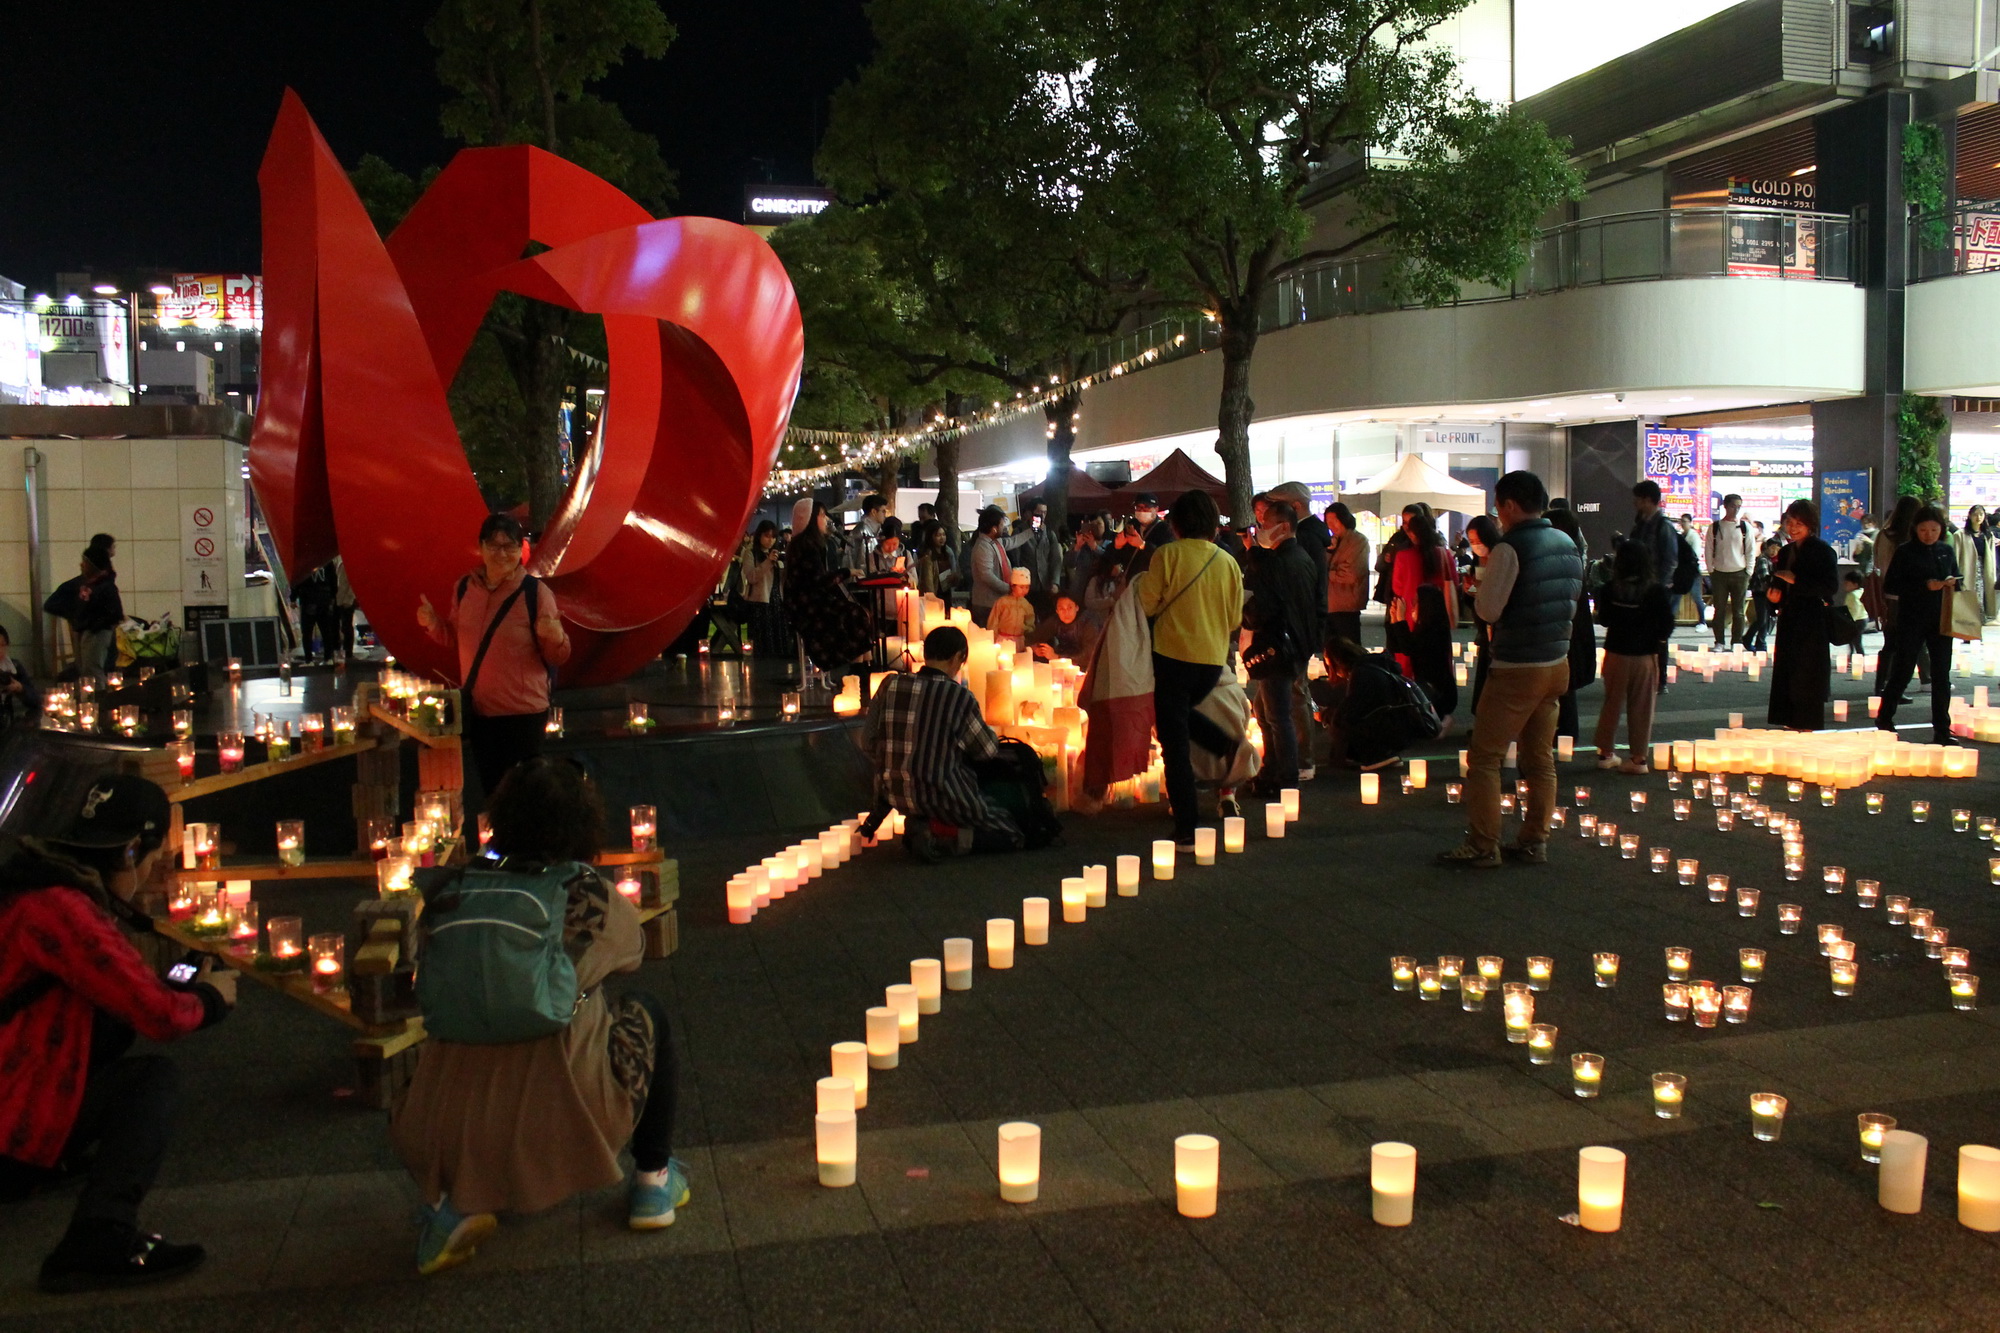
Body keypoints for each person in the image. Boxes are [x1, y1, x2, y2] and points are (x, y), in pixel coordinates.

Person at [391, 759, 683, 1273]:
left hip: (442, 1122)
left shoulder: (454, 887)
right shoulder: (583, 893)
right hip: (558, 1118)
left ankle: (454, 1205)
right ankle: (653, 1180)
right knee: (644, 1012)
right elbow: (633, 949)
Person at [0, 775, 233, 1293]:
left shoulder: (30, 884)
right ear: (130, 852)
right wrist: (212, 999)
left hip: (17, 1089)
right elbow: (160, 1017)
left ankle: (51, 1161)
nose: (151, 876)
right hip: (10, 1122)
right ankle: (98, 1236)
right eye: (151, 859)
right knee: (150, 1082)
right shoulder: (61, 909)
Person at [1437, 471, 1583, 868]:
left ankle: (1484, 844)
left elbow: (1488, 610)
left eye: (1499, 507)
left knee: (1485, 757)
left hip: (1517, 664)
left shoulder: (1510, 548)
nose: (1498, 516)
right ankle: (1535, 840)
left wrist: (1479, 591)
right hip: (1556, 661)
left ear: (1512, 505)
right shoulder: (1567, 542)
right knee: (1540, 757)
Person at [418, 514, 571, 797]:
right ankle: (501, 842)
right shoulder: (464, 588)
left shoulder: (535, 593)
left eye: (509, 546)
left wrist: (555, 636)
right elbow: (454, 637)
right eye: (494, 545)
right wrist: (432, 624)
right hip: (481, 714)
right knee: (494, 794)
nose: (502, 553)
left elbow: (558, 656)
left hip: (523, 715)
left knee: (526, 796)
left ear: (520, 550)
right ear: (481, 547)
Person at [1138, 489, 1245, 846]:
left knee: (1175, 744)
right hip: (1211, 661)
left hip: (1172, 658)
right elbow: (1234, 618)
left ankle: (1187, 825)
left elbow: (1148, 604)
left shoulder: (1167, 555)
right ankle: (1223, 743)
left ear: (1176, 524)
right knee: (1180, 719)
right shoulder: (1228, 561)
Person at [862, 625, 1023, 859]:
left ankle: (925, 827)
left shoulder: (889, 685)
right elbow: (987, 750)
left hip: (897, 795)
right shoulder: (959, 697)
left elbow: (868, 741)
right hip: (944, 796)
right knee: (1011, 832)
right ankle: (940, 836)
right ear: (958, 657)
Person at [1240, 497, 1319, 794]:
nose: (1261, 529)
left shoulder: (1280, 563)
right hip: (1296, 644)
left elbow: (1266, 606)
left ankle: (1284, 777)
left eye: (1265, 524)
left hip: (1277, 646)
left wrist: (1247, 614)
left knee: (1277, 715)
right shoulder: (1302, 559)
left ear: (1283, 527)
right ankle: (1273, 769)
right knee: (1267, 709)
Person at [1875, 504, 1961, 743]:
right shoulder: (1905, 551)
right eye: (1924, 529)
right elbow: (1891, 585)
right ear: (1915, 529)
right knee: (1903, 670)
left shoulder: (1945, 550)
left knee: (1941, 675)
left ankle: (1942, 729)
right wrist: (1924, 585)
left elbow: (1957, 577)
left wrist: (1952, 583)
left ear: (1941, 530)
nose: (1929, 534)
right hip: (1912, 617)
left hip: (1941, 618)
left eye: (1934, 530)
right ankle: (1885, 718)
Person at [1592, 543, 1674, 773]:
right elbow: (1667, 623)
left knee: (1611, 703)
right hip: (1644, 655)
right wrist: (1657, 639)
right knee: (1642, 707)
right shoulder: (1655, 590)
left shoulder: (1610, 589)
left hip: (1616, 653)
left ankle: (1605, 753)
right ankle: (1638, 759)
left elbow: (1604, 619)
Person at [1766, 498, 1839, 731]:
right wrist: (1775, 596)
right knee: (1788, 667)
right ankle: (1789, 717)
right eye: (1790, 522)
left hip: (1812, 618)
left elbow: (1829, 587)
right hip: (1789, 616)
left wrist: (1796, 580)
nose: (1793, 528)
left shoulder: (1823, 552)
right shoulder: (1786, 551)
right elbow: (1777, 581)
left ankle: (1807, 720)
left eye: (1799, 523)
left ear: (1811, 525)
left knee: (1808, 670)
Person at [1315, 636, 1435, 771]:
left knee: (1340, 723)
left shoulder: (1362, 674)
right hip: (1402, 724)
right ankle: (1379, 753)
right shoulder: (1375, 665)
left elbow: (1349, 714)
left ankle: (1375, 756)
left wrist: (1324, 715)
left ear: (1337, 661)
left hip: (1389, 728)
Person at [783, 499, 875, 676]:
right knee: (854, 614)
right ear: (811, 519)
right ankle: (858, 669)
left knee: (859, 613)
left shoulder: (808, 544)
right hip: (806, 606)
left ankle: (863, 665)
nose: (826, 520)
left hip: (811, 600)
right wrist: (847, 572)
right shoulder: (806, 546)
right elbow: (819, 580)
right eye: (822, 515)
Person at [1389, 510, 1458, 719]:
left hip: (1412, 614)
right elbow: (1454, 581)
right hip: (1439, 616)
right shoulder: (1444, 554)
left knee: (1409, 661)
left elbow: (1397, 587)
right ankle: (1437, 705)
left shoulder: (1404, 556)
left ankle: (1413, 704)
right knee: (1438, 662)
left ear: (1411, 534)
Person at [1545, 507, 1594, 744]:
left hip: (1563, 629)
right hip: (1571, 628)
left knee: (1560, 684)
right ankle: (1566, 732)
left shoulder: (1560, 557)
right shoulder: (1574, 555)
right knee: (1565, 684)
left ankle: (1563, 731)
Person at [46, 545, 122, 690]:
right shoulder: (87, 584)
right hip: (84, 630)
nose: (81, 565)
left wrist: (93, 624)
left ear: (94, 566)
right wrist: (75, 618)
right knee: (84, 670)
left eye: (85, 562)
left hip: (96, 632)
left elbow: (115, 613)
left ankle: (99, 700)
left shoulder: (106, 587)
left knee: (92, 669)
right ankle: (89, 698)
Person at [1868, 495, 1922, 699]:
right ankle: (1892, 687)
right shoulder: (1910, 539)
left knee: (1890, 643)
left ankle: (1881, 685)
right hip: (1908, 596)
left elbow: (1880, 565)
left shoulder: (1884, 535)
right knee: (1903, 645)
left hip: (1888, 595)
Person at [1630, 482, 1678, 688]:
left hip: (1655, 589)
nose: (1635, 503)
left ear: (1648, 500)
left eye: (1638, 499)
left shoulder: (1662, 526)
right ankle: (1644, 678)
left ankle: (1659, 679)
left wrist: (1658, 586)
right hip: (1641, 587)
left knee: (1658, 634)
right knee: (1640, 632)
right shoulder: (1641, 524)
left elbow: (1670, 560)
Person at [1461, 515, 1501, 709]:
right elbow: (1474, 596)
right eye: (1472, 542)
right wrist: (1470, 591)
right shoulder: (1476, 562)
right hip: (1483, 625)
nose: (1476, 545)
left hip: (1497, 625)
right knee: (1484, 673)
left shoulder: (1501, 557)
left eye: (1479, 540)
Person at [732, 520, 787, 656]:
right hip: (759, 604)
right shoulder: (750, 553)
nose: (770, 540)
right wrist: (768, 562)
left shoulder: (776, 554)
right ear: (759, 535)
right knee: (762, 644)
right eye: (767, 536)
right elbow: (751, 577)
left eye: (773, 537)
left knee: (777, 641)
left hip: (776, 602)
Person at [1706, 493, 1755, 646]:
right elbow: (1708, 549)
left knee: (1739, 612)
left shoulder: (1745, 527)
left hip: (1739, 573)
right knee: (1719, 610)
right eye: (1733, 506)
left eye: (1739, 507)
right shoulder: (1715, 527)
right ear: (1725, 506)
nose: (1736, 510)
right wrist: (1711, 569)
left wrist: (1749, 571)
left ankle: (1736, 642)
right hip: (1719, 573)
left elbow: (1750, 550)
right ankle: (1719, 642)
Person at [1324, 502, 1369, 648]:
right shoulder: (1333, 541)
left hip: (1347, 604)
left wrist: (1328, 574)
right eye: (1328, 522)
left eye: (1334, 521)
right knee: (1331, 648)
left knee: (1349, 648)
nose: (1331, 526)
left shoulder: (1358, 541)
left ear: (1343, 518)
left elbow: (1351, 574)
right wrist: (1330, 551)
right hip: (1331, 603)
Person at [967, 506, 1017, 628]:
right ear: (994, 529)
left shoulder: (995, 542)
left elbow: (1014, 541)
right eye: (1001, 525)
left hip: (996, 601)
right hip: (987, 603)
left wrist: (1031, 532)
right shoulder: (983, 546)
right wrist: (1008, 588)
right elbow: (987, 575)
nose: (1004, 528)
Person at [1013, 501, 1062, 617]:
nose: (1042, 516)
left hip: (1044, 585)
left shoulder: (1049, 533)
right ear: (1030, 513)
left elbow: (1056, 559)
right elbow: (1015, 559)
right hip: (1026, 586)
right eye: (1039, 512)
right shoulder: (1019, 532)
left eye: (1044, 512)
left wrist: (1055, 582)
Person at [1028, 591, 1101, 663]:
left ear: (1077, 608)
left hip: (1088, 664)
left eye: (1069, 608)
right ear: (1057, 611)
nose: (1066, 613)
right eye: (1061, 609)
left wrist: (1057, 657)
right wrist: (1035, 648)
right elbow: (1036, 636)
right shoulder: (1055, 621)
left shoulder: (1088, 623)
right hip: (1063, 657)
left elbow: (1090, 655)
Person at [292, 561, 341, 662]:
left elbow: (298, 580)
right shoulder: (327, 560)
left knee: (307, 632)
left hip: (308, 599)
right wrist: (332, 596)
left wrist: (293, 597)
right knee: (326, 630)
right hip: (324, 599)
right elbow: (333, 580)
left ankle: (308, 659)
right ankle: (328, 658)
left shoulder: (304, 561)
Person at [0, 623, 42, 730]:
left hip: (8, 723)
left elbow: (36, 701)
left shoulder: (14, 666)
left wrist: (20, 688)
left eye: (3, 645)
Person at [987, 567, 1037, 649]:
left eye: (1027, 587)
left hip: (1020, 640)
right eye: (1021, 587)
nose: (1024, 590)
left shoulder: (1026, 605)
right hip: (1003, 639)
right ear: (1012, 586)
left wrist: (1027, 631)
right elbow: (993, 622)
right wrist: (993, 638)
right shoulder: (1002, 602)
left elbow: (1030, 623)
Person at [1744, 538, 1779, 651]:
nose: (1774, 551)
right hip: (1760, 592)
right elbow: (1764, 577)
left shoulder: (1770, 560)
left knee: (1766, 619)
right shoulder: (1763, 559)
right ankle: (1748, 639)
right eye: (1772, 548)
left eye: (1777, 549)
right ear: (1766, 547)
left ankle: (1761, 643)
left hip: (1766, 593)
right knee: (1762, 619)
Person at [914, 521, 956, 600]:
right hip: (935, 595)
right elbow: (927, 583)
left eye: (943, 534)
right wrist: (932, 599)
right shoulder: (927, 557)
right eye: (938, 535)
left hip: (947, 593)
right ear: (931, 537)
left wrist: (954, 578)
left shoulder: (947, 553)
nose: (942, 538)